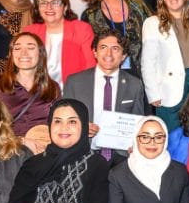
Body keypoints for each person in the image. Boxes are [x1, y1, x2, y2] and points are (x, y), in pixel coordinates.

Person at [62, 31, 146, 163]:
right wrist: (81, 126)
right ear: (94, 52)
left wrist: (135, 144)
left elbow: (139, 124)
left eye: (115, 49)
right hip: (83, 153)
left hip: (122, 156)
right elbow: (62, 119)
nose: (108, 54)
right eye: (103, 48)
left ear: (123, 55)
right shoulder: (75, 82)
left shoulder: (135, 84)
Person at [141, 0, 189, 131]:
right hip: (168, 89)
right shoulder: (152, 23)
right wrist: (153, 93)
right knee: (172, 135)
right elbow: (148, 62)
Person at [0, 32, 60, 150]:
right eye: (17, 48)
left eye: (30, 48)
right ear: (11, 54)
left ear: (41, 53)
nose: (23, 53)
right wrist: (20, 141)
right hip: (9, 153)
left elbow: (58, 123)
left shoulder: (52, 88)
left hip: (44, 154)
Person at [78, 0, 152, 72]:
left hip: (145, 76)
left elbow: (159, 29)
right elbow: (90, 53)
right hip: (110, 79)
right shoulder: (89, 16)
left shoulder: (138, 3)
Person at [23, 0, 96, 89]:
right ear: (38, 8)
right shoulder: (30, 32)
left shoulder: (81, 29)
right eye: (43, 3)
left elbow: (90, 66)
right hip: (38, 93)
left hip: (74, 90)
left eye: (55, 3)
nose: (49, 7)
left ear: (65, 7)